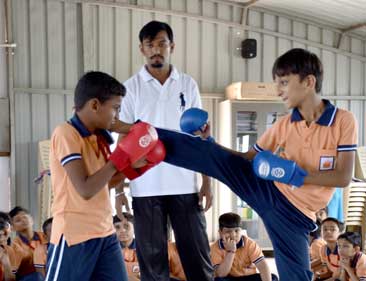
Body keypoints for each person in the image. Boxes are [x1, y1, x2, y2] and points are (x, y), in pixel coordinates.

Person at [113, 48, 356, 281]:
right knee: (209, 153)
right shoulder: (284, 124)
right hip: (267, 191)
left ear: (308, 81)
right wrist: (210, 143)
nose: (278, 90)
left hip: (295, 217)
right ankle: (132, 129)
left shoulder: (343, 121)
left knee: (297, 277)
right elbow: (245, 158)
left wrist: (293, 175)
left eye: (284, 82)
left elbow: (343, 177)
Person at [117, 20, 213, 281]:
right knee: (152, 265)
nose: (156, 50)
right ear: (142, 49)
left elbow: (200, 136)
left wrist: (207, 182)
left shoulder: (188, 85)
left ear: (172, 46)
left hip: (185, 186)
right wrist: (118, 189)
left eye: (161, 43)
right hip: (145, 188)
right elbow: (123, 139)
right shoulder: (130, 88)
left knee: (198, 260)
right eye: (150, 45)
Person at [47, 71, 163, 281]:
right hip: (75, 235)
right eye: (115, 108)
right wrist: (120, 158)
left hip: (105, 232)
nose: (117, 116)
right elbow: (86, 189)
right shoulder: (66, 133)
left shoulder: (99, 138)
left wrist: (139, 167)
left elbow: (105, 183)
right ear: (94, 105)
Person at [210, 212, 278, 281]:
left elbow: (263, 266)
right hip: (228, 278)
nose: (233, 235)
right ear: (220, 232)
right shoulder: (214, 248)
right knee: (217, 279)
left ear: (241, 231)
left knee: (272, 277)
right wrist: (231, 252)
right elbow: (221, 274)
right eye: (228, 231)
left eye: (236, 231)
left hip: (248, 277)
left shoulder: (250, 244)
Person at [9, 206, 46, 281]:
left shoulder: (45, 236)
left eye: (25, 216)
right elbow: (12, 274)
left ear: (31, 219)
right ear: (12, 228)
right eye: (18, 220)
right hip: (28, 278)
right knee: (38, 276)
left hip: (47, 274)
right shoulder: (15, 246)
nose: (23, 220)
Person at [113, 214, 140, 279]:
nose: (122, 230)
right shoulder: (108, 252)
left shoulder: (146, 249)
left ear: (135, 228)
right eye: (117, 227)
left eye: (126, 226)